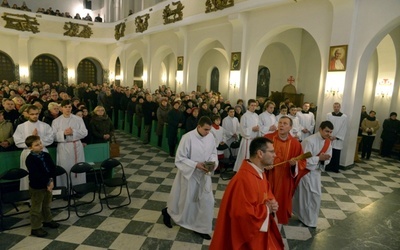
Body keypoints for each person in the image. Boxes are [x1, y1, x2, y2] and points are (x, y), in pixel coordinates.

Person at [210, 137, 284, 249]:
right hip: (246, 239)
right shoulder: (243, 179)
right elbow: (242, 215)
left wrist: (272, 204)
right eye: (272, 151)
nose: (275, 155)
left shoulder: (260, 173)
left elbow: (267, 195)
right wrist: (267, 209)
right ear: (260, 153)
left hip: (259, 233)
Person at [161, 116, 218, 240]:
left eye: (209, 130)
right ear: (198, 127)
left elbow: (214, 153)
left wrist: (212, 163)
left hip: (204, 175)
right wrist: (195, 165)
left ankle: (201, 228)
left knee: (207, 202)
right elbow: (180, 158)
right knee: (184, 201)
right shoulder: (187, 137)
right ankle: (168, 212)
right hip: (190, 175)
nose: (208, 132)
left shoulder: (210, 137)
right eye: (206, 129)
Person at [264, 116, 306, 225]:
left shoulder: (295, 144)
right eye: (280, 123)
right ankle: (263, 219)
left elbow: (302, 162)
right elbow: (257, 155)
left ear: (290, 127)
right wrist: (264, 164)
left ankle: (277, 222)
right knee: (264, 199)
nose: (281, 125)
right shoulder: (267, 138)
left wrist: (294, 164)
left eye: (285, 123)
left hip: (284, 179)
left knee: (280, 201)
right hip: (267, 176)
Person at [292, 121, 333, 228]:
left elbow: (329, 156)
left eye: (330, 132)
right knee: (305, 196)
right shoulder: (309, 141)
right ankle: (305, 218)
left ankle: (310, 220)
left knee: (315, 196)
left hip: (316, 172)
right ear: (320, 129)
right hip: (305, 173)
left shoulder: (328, 142)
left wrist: (324, 159)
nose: (328, 134)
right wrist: (319, 158)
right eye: (326, 131)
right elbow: (303, 160)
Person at [25, 135, 59, 238]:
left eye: (40, 143)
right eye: (36, 145)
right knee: (36, 208)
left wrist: (51, 181)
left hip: (49, 183)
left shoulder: (46, 155)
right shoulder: (30, 159)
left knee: (46, 204)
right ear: (30, 148)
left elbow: (52, 169)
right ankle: (35, 227)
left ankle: (47, 220)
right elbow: (36, 174)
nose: (40, 146)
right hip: (37, 186)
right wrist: (47, 182)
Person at [13, 105, 54, 190]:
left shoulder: (45, 125)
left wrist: (38, 141)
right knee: (27, 175)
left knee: (43, 173)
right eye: (32, 114)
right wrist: (32, 140)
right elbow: (17, 141)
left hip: (42, 152)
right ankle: (27, 196)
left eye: (37, 114)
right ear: (27, 114)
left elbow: (51, 139)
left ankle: (45, 193)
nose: (35, 116)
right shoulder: (21, 126)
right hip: (27, 152)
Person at [52, 100, 88, 186]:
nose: (68, 109)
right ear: (61, 108)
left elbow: (85, 132)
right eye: (65, 107)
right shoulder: (56, 121)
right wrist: (63, 134)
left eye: (70, 107)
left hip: (76, 146)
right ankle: (66, 189)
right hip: (64, 147)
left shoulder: (78, 119)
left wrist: (73, 132)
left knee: (78, 167)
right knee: (65, 167)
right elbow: (52, 136)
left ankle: (79, 187)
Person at [233, 99, 259, 172]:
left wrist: (258, 129)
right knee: (246, 157)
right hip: (247, 140)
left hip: (254, 140)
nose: (253, 107)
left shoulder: (256, 116)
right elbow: (242, 129)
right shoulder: (244, 116)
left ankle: (251, 171)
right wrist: (251, 129)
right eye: (252, 105)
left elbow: (258, 126)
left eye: (255, 106)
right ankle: (243, 171)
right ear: (248, 106)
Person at [325, 102, 348, 173]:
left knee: (336, 153)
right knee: (328, 152)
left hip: (337, 139)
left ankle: (335, 168)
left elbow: (344, 128)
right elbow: (326, 125)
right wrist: (328, 135)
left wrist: (336, 137)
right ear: (333, 107)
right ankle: (327, 166)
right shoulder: (329, 115)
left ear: (340, 107)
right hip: (329, 137)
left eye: (337, 107)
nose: (336, 108)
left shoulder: (344, 117)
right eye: (335, 107)